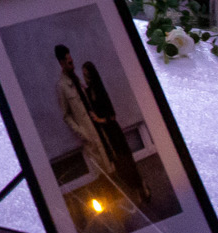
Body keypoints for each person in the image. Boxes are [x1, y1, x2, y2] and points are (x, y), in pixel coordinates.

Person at [82, 60, 150, 204]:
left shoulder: (99, 89)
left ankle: (141, 187)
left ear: (92, 75)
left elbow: (112, 115)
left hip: (113, 131)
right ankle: (138, 189)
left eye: (87, 75)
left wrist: (98, 119)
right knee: (120, 164)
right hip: (105, 134)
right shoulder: (89, 91)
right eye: (84, 76)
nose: (86, 78)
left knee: (126, 160)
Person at [55, 45, 108, 181]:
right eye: (69, 62)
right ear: (61, 63)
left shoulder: (76, 79)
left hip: (97, 127)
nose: (73, 65)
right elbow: (66, 116)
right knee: (101, 171)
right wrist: (81, 133)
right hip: (88, 133)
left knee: (109, 161)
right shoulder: (62, 86)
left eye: (72, 60)